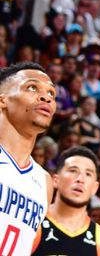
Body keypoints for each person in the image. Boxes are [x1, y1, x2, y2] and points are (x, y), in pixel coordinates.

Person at [0, 62, 56, 254]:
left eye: (51, 93)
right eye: (32, 87)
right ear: (3, 100)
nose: (45, 97)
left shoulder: (44, 182)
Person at [32, 146, 100, 255]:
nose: (80, 179)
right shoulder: (34, 221)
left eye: (88, 174)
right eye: (73, 170)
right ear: (55, 180)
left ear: (94, 188)